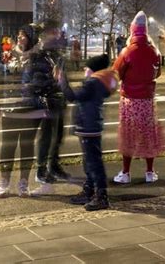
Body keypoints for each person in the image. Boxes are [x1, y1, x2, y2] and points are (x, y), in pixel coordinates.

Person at [113, 11, 165, 184]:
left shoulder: (127, 51)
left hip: (129, 99)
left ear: (132, 30)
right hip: (147, 99)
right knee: (148, 134)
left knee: (128, 134)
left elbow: (117, 73)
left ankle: (125, 173)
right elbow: (157, 73)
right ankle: (150, 172)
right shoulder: (154, 51)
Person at [0, 25, 46, 197]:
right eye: (19, 35)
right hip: (10, 108)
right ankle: (4, 183)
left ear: (31, 39)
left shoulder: (39, 58)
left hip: (30, 110)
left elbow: (45, 82)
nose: (20, 38)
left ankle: (23, 183)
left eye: (24, 36)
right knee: (7, 147)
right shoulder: (9, 56)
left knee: (26, 147)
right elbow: (0, 80)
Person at [59, 53, 118, 211]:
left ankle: (101, 196)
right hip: (91, 126)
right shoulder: (98, 82)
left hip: (88, 127)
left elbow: (72, 96)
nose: (84, 70)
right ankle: (90, 190)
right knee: (89, 161)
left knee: (93, 163)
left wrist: (62, 80)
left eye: (86, 68)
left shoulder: (93, 83)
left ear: (93, 70)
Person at [34, 20, 71, 190]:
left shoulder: (56, 53)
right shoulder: (38, 54)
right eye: (53, 32)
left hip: (59, 99)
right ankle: (41, 170)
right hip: (46, 100)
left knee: (59, 135)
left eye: (57, 32)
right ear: (46, 33)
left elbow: (63, 76)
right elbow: (35, 79)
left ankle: (54, 165)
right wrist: (51, 78)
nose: (57, 35)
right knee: (47, 136)